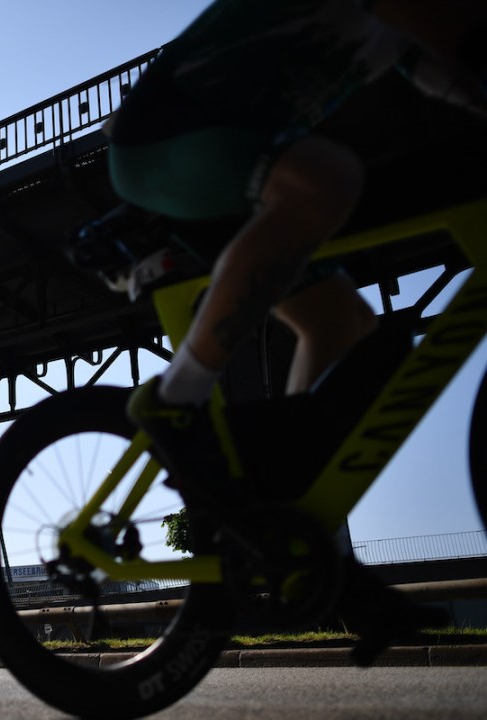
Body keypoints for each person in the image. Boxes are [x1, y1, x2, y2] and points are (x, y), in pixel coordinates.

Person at [107, 0, 485, 663]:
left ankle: (298, 537)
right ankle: (180, 396)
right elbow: (456, 33)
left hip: (241, 161)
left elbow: (441, 73)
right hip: (171, 138)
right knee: (330, 178)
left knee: (340, 326)